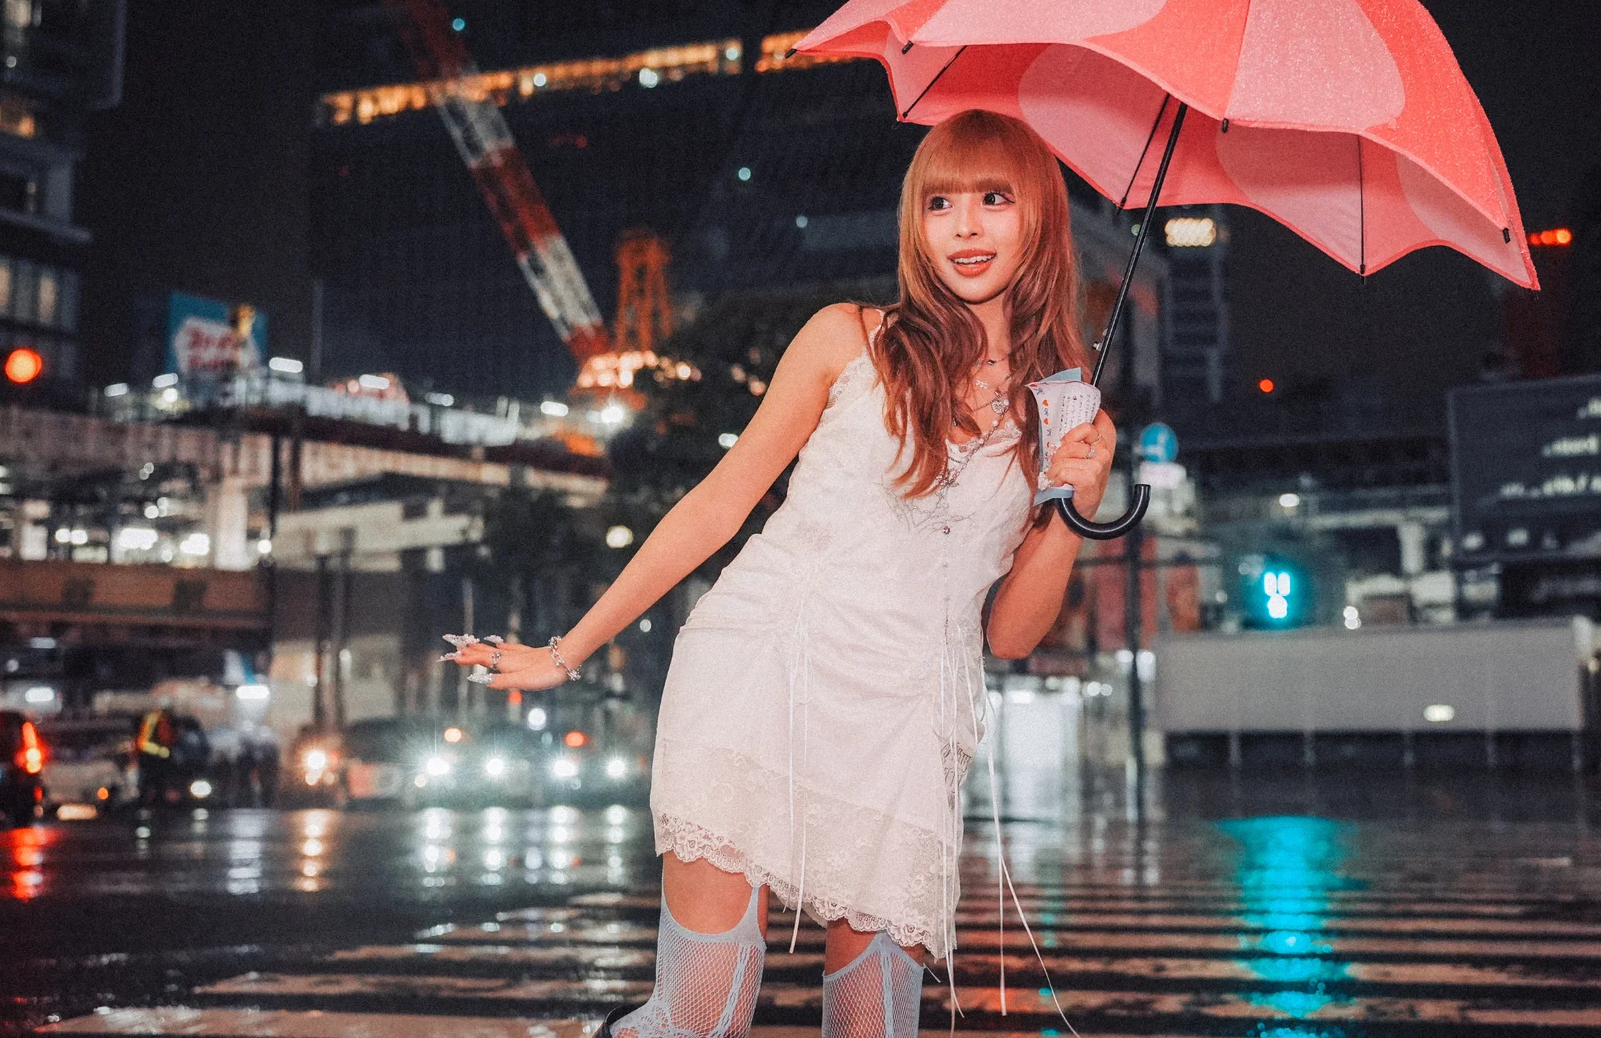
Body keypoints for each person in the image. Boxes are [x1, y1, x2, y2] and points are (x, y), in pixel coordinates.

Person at [445, 109, 1116, 1038]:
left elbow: (1009, 633)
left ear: (1039, 217)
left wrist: (1077, 504)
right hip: (763, 667)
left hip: (908, 722)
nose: (965, 227)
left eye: (993, 200)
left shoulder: (1066, 410)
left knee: (870, 1028)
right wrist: (568, 651)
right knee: (697, 1021)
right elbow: (717, 507)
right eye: (940, 203)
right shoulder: (849, 338)